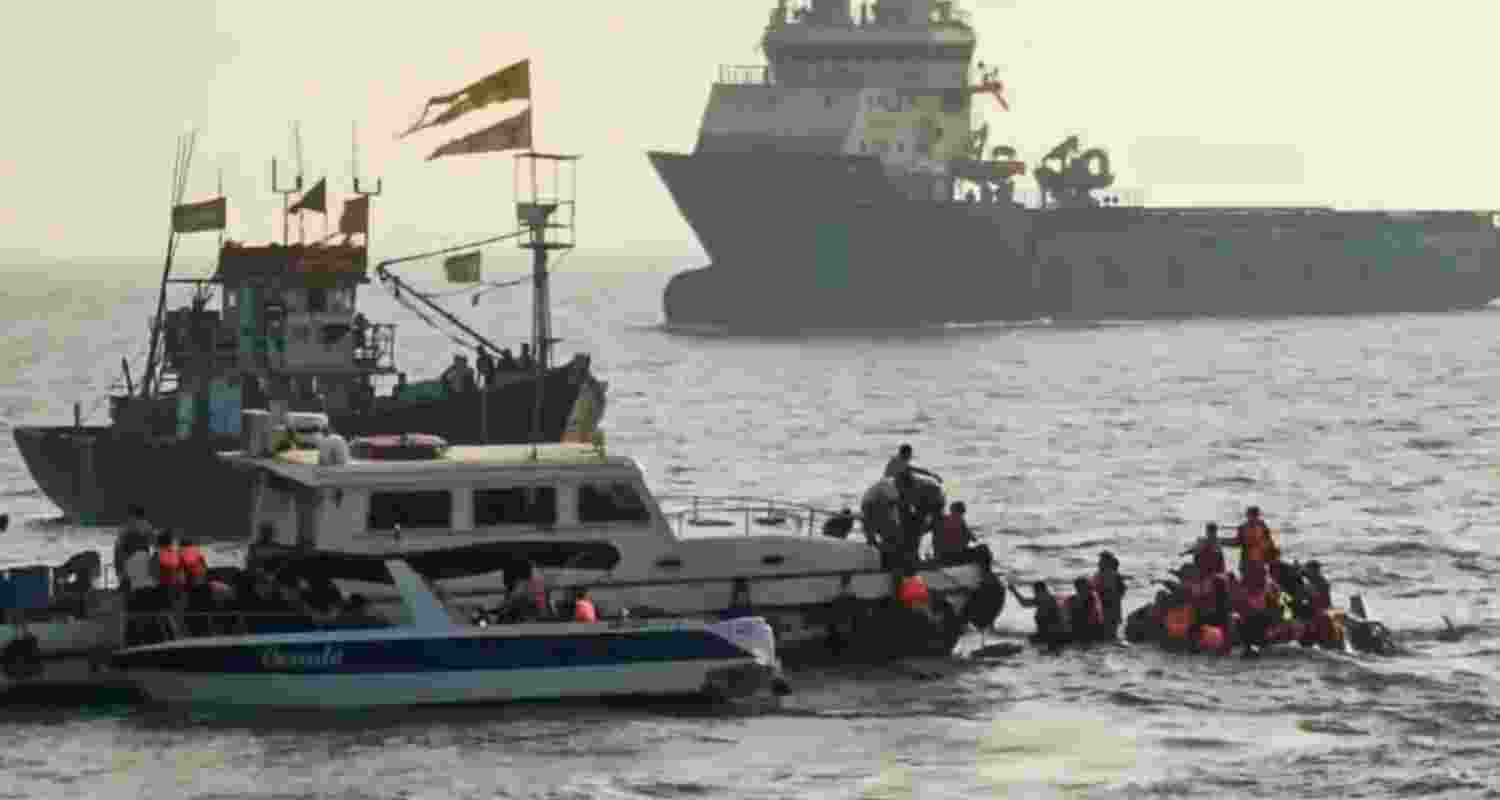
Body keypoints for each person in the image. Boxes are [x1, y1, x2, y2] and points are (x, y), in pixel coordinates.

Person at [1009, 580, 1068, 652]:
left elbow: (1025, 603)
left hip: (1052, 636)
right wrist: (1014, 591)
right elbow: (1024, 603)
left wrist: (1014, 591)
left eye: (1036, 591)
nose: (1035, 594)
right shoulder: (1044, 600)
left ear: (1041, 590)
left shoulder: (1047, 599)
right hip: (1047, 635)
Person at [1228, 506, 1280, 577]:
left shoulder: (1262, 527)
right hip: (1249, 563)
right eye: (1251, 515)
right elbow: (1237, 542)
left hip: (1257, 563)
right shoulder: (1244, 528)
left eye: (1253, 515)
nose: (1252, 518)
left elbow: (1269, 543)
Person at [113, 504, 154, 591]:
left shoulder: (125, 528)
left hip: (129, 560)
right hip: (140, 562)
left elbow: (118, 549)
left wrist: (119, 571)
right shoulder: (147, 527)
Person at [1090, 551, 1127, 637]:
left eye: (1101, 561)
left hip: (1111, 609)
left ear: (1107, 562)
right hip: (1101, 608)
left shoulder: (1114, 576)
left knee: (1110, 633)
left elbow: (1121, 591)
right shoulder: (1098, 575)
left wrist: (1109, 595)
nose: (1099, 563)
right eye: (1100, 561)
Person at [1066, 576, 1107, 643]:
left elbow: (1096, 616)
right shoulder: (1071, 600)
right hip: (1079, 629)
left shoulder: (1093, 599)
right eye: (1079, 587)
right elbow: (1068, 617)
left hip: (1090, 629)